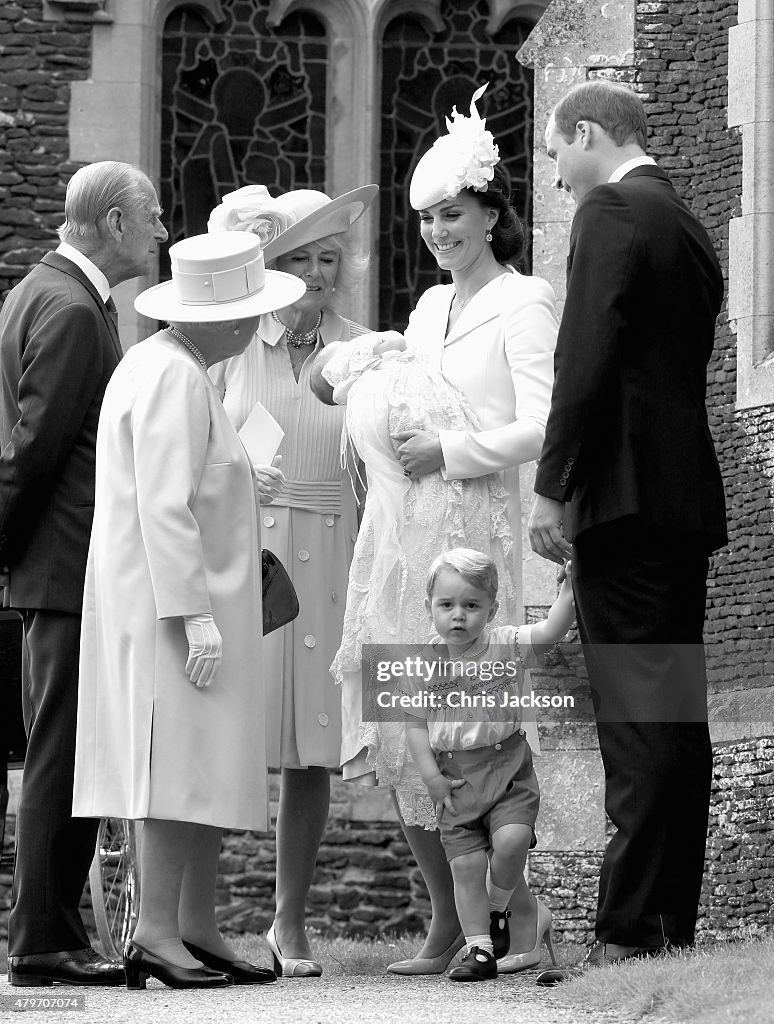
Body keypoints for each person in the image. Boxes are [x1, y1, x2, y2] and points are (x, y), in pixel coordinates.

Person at [313, 83, 558, 975]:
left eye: (451, 215)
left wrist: (449, 451)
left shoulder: (524, 300)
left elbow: (544, 421)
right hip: (404, 537)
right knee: (401, 719)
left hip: (475, 536)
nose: (437, 233)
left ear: (490, 214)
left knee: (469, 730)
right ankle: (445, 920)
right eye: (424, 221)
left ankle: (493, 920)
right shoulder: (423, 310)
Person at [528, 80, 727, 982]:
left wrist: (553, 485)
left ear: (592, 135)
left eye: (557, 149)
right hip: (682, 497)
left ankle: (626, 931)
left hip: (624, 495)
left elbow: (586, 354)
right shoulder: (683, 221)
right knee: (674, 712)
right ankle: (665, 922)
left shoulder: (611, 209)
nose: (557, 171)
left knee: (637, 715)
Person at [71, 231, 305, 989]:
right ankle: (158, 934)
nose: (254, 326)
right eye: (249, 312)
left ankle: (196, 928)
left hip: (194, 601)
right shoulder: (170, 374)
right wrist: (193, 613)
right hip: (174, 609)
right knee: (171, 767)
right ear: (223, 319)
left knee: (201, 764)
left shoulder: (176, 366)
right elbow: (163, 507)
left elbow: (195, 483)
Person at [0, 161, 167, 987]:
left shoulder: (45, 291)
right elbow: (33, 453)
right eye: (154, 218)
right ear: (112, 224)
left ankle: (53, 932)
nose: (163, 233)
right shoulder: (69, 308)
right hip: (66, 567)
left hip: (59, 566)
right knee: (60, 757)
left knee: (63, 752)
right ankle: (41, 941)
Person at [207, 182, 377, 977]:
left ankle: (289, 924)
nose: (317, 272)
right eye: (301, 258)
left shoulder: (367, 348)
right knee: (224, 737)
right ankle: (192, 917)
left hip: (336, 556)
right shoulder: (232, 346)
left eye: (329, 258)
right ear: (274, 265)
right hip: (254, 558)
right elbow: (196, 450)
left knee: (314, 752)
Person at [403, 548, 575, 981]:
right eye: (447, 605)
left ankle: (498, 914)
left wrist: (570, 590)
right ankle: (479, 950)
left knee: (512, 840)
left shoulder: (506, 645)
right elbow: (416, 727)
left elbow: (552, 630)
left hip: (508, 768)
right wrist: (432, 780)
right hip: (456, 777)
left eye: (471, 605)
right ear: (429, 609)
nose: (458, 615)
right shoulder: (424, 663)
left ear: (492, 609)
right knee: (465, 865)